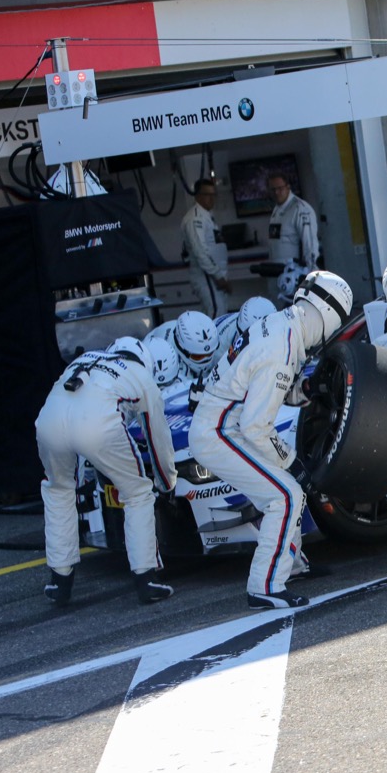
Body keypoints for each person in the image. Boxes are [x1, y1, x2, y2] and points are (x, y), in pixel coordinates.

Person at [188, 271, 353, 609]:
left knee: (284, 492)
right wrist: (291, 461)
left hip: (221, 423)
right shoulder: (283, 345)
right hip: (219, 431)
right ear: (327, 314)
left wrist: (305, 390)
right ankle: (265, 584)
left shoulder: (281, 326)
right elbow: (256, 426)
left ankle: (290, 564)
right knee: (287, 495)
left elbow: (260, 390)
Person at [35, 337, 177, 605]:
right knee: (137, 492)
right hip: (96, 425)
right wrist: (167, 482)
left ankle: (59, 581)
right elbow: (158, 439)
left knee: (58, 490)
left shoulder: (85, 359)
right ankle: (147, 578)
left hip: (49, 421)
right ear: (145, 362)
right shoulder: (142, 377)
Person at [180, 178, 232, 318]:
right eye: (207, 194)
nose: (211, 198)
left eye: (213, 194)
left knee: (220, 313)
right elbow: (200, 251)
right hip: (207, 277)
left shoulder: (207, 216)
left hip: (215, 276)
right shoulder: (195, 218)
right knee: (215, 313)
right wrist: (218, 276)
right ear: (197, 196)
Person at [266, 172, 321, 299]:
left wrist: (312, 276)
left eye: (280, 188)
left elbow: (310, 244)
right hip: (279, 276)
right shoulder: (277, 209)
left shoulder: (300, 209)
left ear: (288, 187)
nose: (276, 192)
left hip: (295, 276)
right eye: (273, 189)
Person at [145, 310, 223, 381]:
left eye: (210, 354)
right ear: (181, 349)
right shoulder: (167, 360)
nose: (205, 360)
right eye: (198, 357)